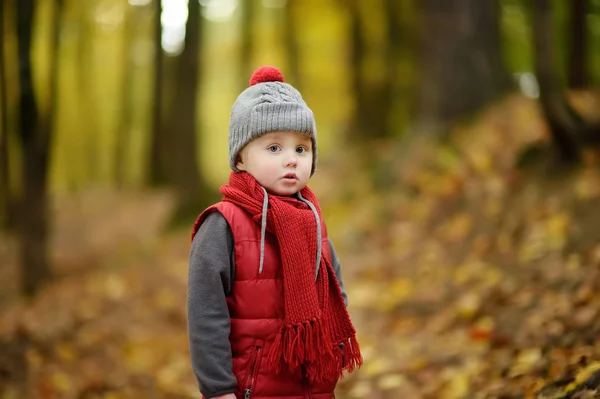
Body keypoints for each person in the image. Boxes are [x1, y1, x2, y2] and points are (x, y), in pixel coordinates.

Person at [187, 65, 362, 399]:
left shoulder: (312, 220)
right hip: (253, 387)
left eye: (301, 149)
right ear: (240, 158)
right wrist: (218, 389)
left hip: (313, 385)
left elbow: (335, 289)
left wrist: (333, 346)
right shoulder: (222, 224)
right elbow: (205, 315)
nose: (292, 160)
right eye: (274, 148)